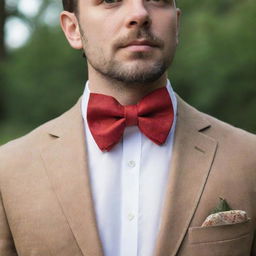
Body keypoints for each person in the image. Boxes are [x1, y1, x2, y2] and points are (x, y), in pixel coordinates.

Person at [0, 0, 255, 255]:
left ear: (177, 24)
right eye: (110, 0)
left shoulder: (248, 159)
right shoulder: (7, 172)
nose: (140, 14)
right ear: (73, 29)